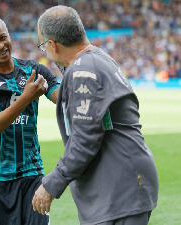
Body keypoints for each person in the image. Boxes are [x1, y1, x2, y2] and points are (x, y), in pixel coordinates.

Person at [32, 5, 159, 225]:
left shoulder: (83, 69)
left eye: (43, 46)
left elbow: (84, 139)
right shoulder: (97, 59)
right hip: (121, 186)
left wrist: (51, 185)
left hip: (118, 191)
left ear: (52, 45)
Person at [0, 16, 59, 225]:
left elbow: (62, 98)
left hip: (31, 177)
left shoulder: (34, 70)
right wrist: (25, 99)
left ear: (8, 35)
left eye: (2, 38)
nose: (0, 46)